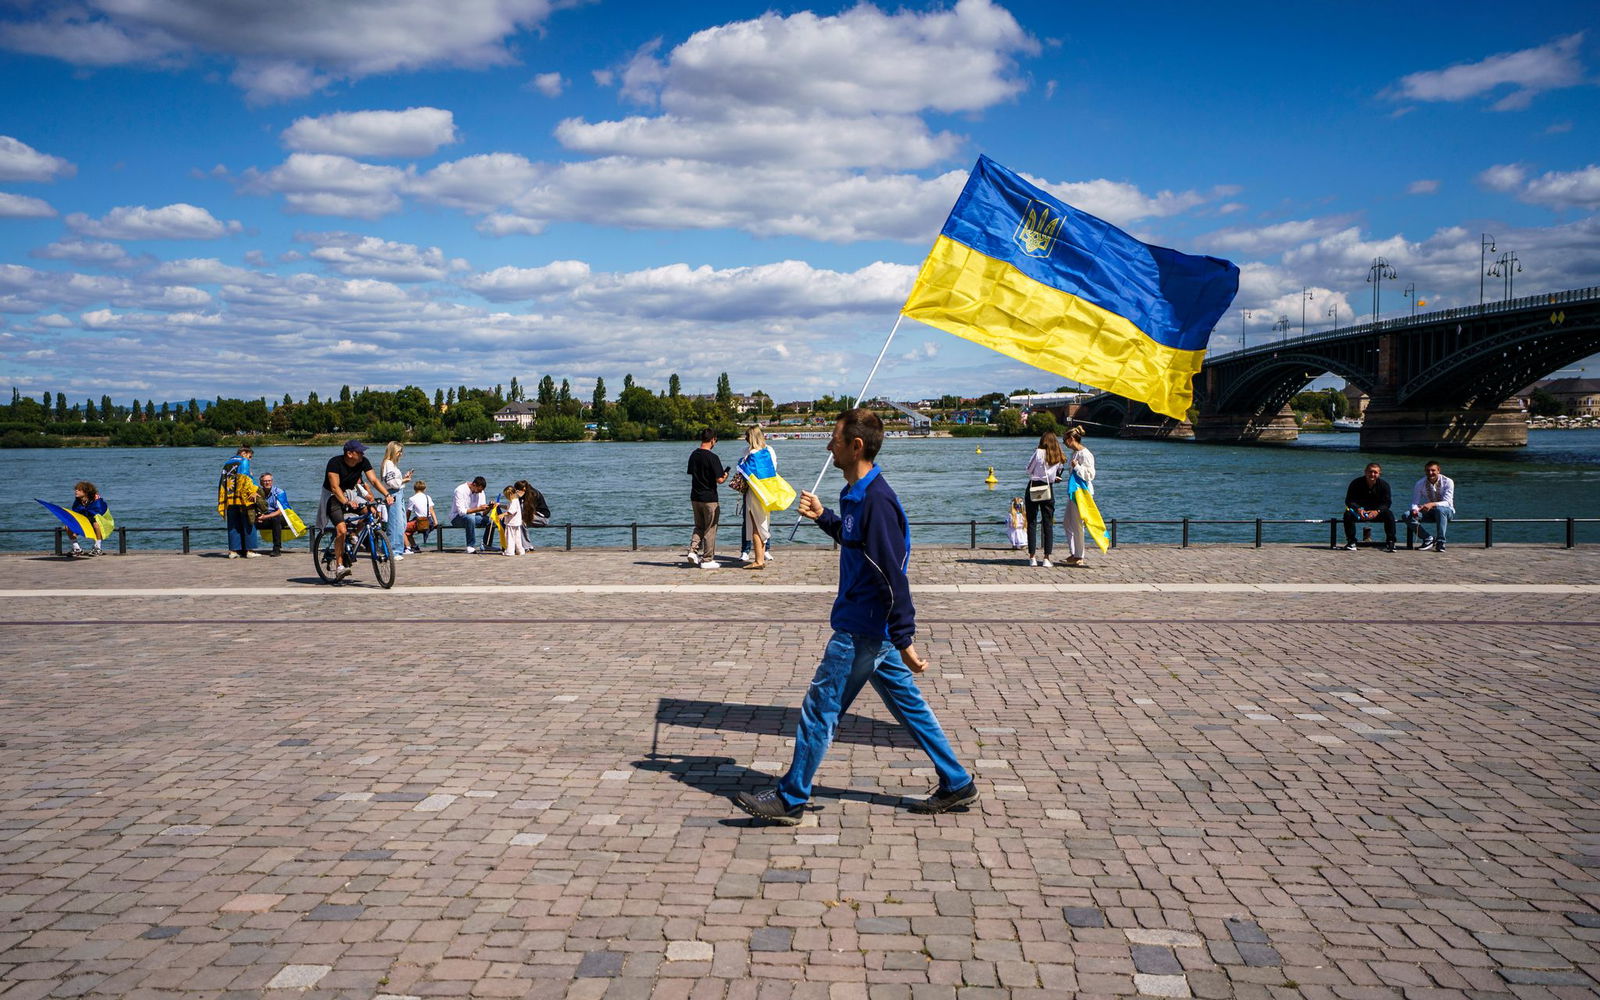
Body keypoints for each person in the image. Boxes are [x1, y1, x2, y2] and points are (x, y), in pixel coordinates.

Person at [733, 407, 977, 825]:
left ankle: (791, 798)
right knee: (910, 709)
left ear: (856, 446)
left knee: (819, 707)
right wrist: (824, 516)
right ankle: (957, 782)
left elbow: (892, 574)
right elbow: (854, 539)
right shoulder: (857, 494)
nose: (829, 446)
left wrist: (905, 639)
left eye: (835, 439)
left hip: (863, 627)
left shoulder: (877, 500)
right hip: (870, 626)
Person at [324, 440, 391, 579]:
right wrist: (346, 502)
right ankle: (340, 566)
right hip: (333, 497)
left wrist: (387, 494)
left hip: (351, 494)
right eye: (359, 452)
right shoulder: (334, 463)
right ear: (349, 453)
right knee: (341, 530)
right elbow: (335, 488)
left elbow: (374, 480)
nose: (362, 454)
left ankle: (354, 533)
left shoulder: (363, 461)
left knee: (370, 511)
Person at [736, 425, 777, 570]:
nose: (746, 439)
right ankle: (762, 555)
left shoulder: (751, 454)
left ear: (751, 437)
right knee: (763, 524)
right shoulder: (767, 452)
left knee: (754, 526)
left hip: (753, 493)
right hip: (766, 492)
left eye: (747, 436)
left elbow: (744, 473)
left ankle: (758, 560)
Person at [685, 429, 728, 569]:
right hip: (709, 498)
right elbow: (720, 479)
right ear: (713, 440)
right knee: (710, 528)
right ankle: (707, 559)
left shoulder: (693, 455)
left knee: (699, 525)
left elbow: (692, 473)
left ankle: (693, 551)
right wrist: (726, 475)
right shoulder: (713, 457)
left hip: (695, 496)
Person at [1023, 430, 1064, 567]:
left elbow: (1028, 469)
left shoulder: (1039, 453)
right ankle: (1046, 558)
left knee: (1032, 522)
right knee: (1048, 523)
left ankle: (1032, 557)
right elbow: (1058, 472)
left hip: (1034, 487)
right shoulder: (1058, 455)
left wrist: (1038, 471)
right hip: (1048, 489)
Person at [1060, 425, 1097, 566]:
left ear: (1071, 439)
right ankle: (1074, 553)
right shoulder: (1075, 453)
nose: (1064, 443)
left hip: (1083, 493)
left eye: (1065, 440)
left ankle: (1079, 555)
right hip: (1074, 492)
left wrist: (1077, 467)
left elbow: (1090, 475)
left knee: (1077, 525)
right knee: (1067, 523)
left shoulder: (1085, 454)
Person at [1342, 462, 1395, 552]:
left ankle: (1390, 542)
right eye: (1370, 472)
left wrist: (1377, 511)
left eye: (1375, 472)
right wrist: (1358, 509)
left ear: (1379, 474)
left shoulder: (1384, 485)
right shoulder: (1356, 483)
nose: (1372, 474)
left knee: (1389, 514)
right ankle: (1351, 542)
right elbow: (1349, 500)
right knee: (1347, 515)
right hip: (1360, 512)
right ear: (1365, 472)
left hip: (1376, 512)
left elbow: (1387, 503)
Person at [217, 447, 259, 559]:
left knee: (233, 525)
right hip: (242, 499)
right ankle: (249, 551)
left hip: (229, 499)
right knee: (249, 523)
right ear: (243, 453)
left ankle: (233, 551)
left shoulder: (227, 463)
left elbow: (223, 481)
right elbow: (243, 479)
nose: (249, 460)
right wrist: (253, 491)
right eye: (249, 456)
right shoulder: (243, 461)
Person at [1405, 460, 1456, 552]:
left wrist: (1432, 504)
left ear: (1438, 470)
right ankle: (1428, 538)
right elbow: (1415, 502)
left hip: (1447, 511)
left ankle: (1441, 542)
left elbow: (1447, 502)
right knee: (1407, 515)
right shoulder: (1420, 483)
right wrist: (1415, 509)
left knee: (1440, 510)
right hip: (1430, 512)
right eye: (1428, 470)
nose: (1430, 473)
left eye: (1433, 470)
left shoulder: (1448, 481)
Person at [379, 442, 414, 561]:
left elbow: (394, 480)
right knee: (395, 523)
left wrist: (404, 479)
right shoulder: (388, 464)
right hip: (394, 493)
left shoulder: (390, 464)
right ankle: (393, 550)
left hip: (398, 493)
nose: (401, 454)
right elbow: (392, 483)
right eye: (399, 452)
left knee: (401, 522)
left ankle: (392, 548)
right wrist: (402, 481)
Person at [451, 476, 493, 553]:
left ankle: (486, 545)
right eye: (478, 490)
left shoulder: (481, 492)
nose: (479, 492)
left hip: (474, 517)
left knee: (491, 520)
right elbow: (461, 512)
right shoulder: (460, 490)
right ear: (474, 484)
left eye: (481, 491)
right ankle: (470, 546)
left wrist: (489, 508)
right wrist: (478, 509)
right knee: (470, 518)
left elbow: (482, 513)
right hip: (457, 518)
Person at [67, 481, 109, 557]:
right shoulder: (78, 501)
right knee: (68, 526)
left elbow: (100, 513)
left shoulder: (96, 500)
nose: (76, 491)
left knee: (96, 524)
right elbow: (76, 513)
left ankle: (98, 547)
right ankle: (77, 548)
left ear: (86, 492)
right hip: (84, 522)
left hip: (96, 522)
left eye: (79, 490)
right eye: (76, 489)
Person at [255, 472, 291, 556]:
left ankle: (277, 548)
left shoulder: (279, 492)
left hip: (281, 517)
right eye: (265, 481)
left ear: (272, 481)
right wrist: (258, 517)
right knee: (247, 519)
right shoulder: (257, 492)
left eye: (269, 481)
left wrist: (264, 517)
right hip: (264, 517)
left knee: (276, 518)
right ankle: (246, 549)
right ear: (261, 483)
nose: (267, 483)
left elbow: (280, 511)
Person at [404, 480, 437, 554]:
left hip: (419, 523)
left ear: (414, 489)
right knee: (408, 530)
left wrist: (405, 522)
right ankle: (414, 546)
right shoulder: (428, 497)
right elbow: (431, 510)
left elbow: (408, 512)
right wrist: (435, 522)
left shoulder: (412, 498)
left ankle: (409, 547)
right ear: (424, 489)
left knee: (402, 529)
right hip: (429, 522)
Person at [500, 484, 527, 556]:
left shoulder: (514, 501)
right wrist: (499, 505)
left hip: (511, 523)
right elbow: (508, 507)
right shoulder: (515, 501)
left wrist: (503, 514)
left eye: (507, 496)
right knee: (517, 538)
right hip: (516, 523)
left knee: (510, 538)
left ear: (510, 494)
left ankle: (509, 551)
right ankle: (520, 551)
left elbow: (511, 511)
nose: (507, 498)